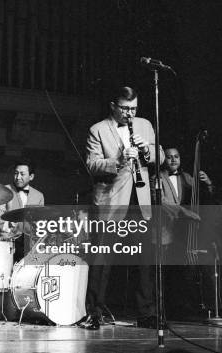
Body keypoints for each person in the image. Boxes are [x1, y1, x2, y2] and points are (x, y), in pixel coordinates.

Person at [82, 86, 164, 330]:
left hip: (140, 200)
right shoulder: (97, 129)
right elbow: (92, 165)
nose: (130, 113)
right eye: (125, 108)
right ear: (113, 106)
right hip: (111, 201)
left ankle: (147, 314)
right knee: (102, 260)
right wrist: (118, 160)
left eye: (134, 109)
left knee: (145, 261)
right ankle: (94, 313)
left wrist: (145, 150)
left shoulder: (145, 124)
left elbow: (159, 156)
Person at [0, 159, 45, 262]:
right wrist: (9, 225)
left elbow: (39, 224)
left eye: (22, 174)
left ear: (31, 176)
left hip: (28, 247)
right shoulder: (3, 191)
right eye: (16, 173)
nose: (18, 177)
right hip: (6, 244)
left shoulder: (39, 196)